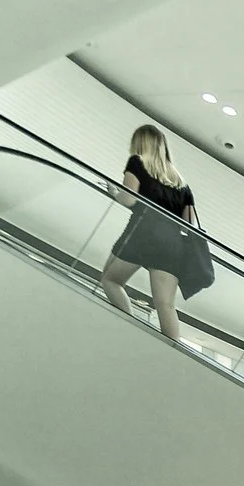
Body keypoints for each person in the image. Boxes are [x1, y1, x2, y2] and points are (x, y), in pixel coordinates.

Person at [98, 124, 206, 341]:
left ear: (140, 143)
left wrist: (113, 192)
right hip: (172, 244)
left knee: (111, 280)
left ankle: (128, 327)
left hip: (143, 234)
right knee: (165, 304)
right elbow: (187, 225)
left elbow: (129, 199)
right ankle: (174, 350)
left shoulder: (137, 163)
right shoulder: (181, 182)